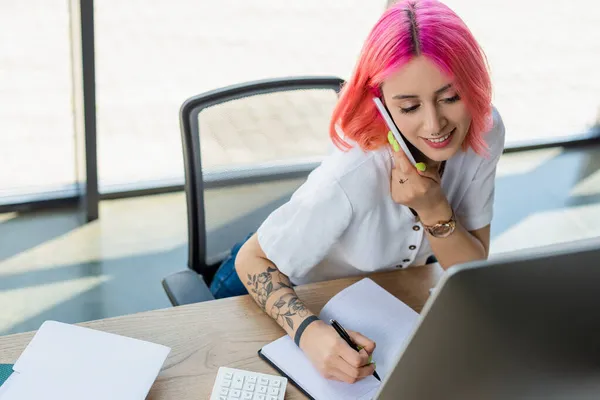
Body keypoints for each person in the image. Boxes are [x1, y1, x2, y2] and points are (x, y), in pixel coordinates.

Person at [218, 0, 505, 384]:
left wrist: (434, 208)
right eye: (408, 106)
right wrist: (309, 333)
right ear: (381, 102)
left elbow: (470, 271)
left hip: (378, 300)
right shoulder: (353, 171)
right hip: (269, 287)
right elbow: (253, 260)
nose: (434, 124)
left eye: (450, 98)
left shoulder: (484, 130)